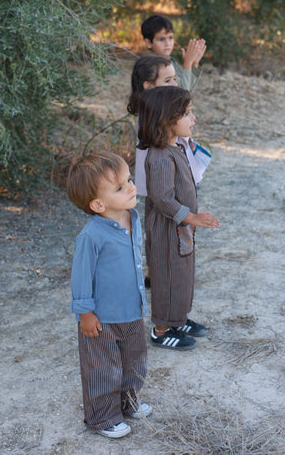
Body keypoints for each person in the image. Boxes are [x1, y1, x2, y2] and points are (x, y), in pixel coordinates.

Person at [67, 152, 150, 439]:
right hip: (102, 317)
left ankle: (127, 402)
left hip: (132, 310)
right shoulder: (92, 236)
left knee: (134, 361)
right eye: (120, 187)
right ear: (98, 204)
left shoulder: (132, 218)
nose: (131, 187)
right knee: (102, 368)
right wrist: (85, 314)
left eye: (129, 180)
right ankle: (102, 417)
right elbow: (81, 277)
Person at [137, 86, 220, 350]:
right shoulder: (160, 157)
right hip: (167, 230)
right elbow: (162, 198)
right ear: (166, 121)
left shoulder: (175, 148)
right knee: (168, 276)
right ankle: (161, 330)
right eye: (186, 113)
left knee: (182, 274)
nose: (193, 118)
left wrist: (190, 220)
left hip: (180, 229)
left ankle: (177, 319)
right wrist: (192, 217)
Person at [127, 54, 211, 288]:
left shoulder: (158, 113)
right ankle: (163, 281)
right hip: (160, 189)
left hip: (169, 189)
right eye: (169, 80)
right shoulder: (154, 120)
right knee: (162, 235)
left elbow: (178, 99)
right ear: (148, 87)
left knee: (168, 234)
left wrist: (188, 66)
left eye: (175, 79)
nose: (175, 85)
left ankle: (163, 276)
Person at [141, 14, 206, 92]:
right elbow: (181, 93)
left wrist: (194, 64)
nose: (167, 43)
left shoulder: (170, 61)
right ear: (149, 43)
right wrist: (187, 64)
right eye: (161, 39)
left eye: (170, 38)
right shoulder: (153, 66)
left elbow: (188, 88)